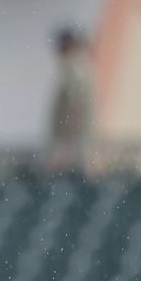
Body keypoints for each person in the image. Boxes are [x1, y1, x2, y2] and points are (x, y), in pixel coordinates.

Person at [47, 26, 95, 175]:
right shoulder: (78, 67)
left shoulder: (73, 67)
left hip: (71, 147)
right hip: (73, 145)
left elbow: (75, 106)